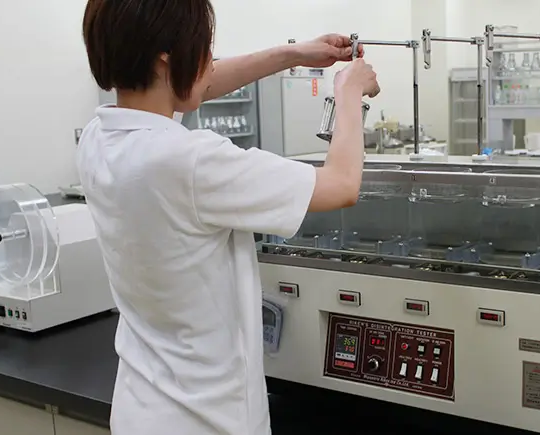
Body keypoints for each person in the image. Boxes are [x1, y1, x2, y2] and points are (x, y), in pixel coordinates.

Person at [79, 1, 380, 434]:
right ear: (166, 58)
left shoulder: (100, 137)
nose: (210, 61)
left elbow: (196, 85)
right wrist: (348, 93)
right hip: (207, 418)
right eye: (204, 49)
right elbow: (341, 184)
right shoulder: (189, 160)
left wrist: (294, 54)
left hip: (141, 407)